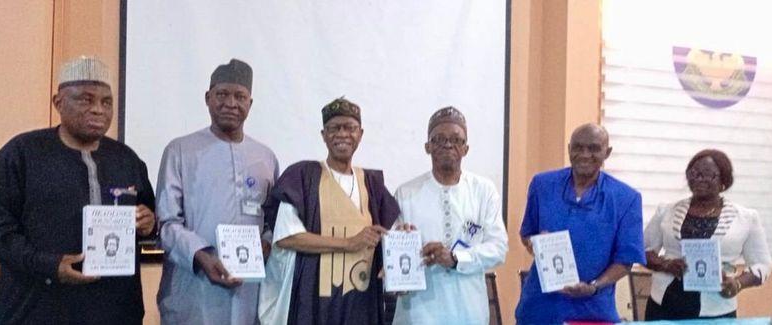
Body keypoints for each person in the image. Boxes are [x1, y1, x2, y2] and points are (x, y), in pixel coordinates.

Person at [0, 56, 156, 324]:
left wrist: (149, 223)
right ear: (58, 102)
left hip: (116, 312)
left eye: (106, 102)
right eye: (85, 99)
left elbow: (150, 221)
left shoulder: (126, 160)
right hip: (37, 311)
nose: (98, 109)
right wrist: (48, 265)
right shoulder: (23, 154)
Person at [155, 59, 278, 325]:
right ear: (208, 98)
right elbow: (167, 222)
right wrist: (201, 255)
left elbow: (272, 220)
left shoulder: (266, 158)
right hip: (194, 288)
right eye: (222, 94)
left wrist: (266, 244)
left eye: (239, 96)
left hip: (249, 289)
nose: (230, 104)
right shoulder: (180, 151)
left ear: (250, 104)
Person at [258, 97, 399, 325]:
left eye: (350, 128)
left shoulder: (372, 184)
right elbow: (287, 237)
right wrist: (349, 243)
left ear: (360, 134)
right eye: (334, 128)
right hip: (313, 297)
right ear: (323, 135)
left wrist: (402, 239)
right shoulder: (303, 176)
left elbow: (387, 236)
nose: (342, 134)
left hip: (360, 300)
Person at [515, 123, 645, 324]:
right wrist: (535, 244)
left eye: (593, 148)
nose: (585, 155)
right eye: (578, 147)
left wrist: (594, 286)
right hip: (540, 306)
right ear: (569, 149)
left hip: (592, 309)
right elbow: (527, 234)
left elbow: (625, 260)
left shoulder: (626, 198)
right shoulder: (542, 185)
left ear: (607, 152)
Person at [392, 107, 508, 325]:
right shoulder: (406, 193)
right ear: (427, 147)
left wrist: (455, 259)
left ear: (466, 148)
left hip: (468, 313)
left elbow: (498, 249)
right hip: (416, 314)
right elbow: (394, 255)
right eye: (439, 139)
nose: (447, 145)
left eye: (456, 140)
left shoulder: (483, 191)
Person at [643, 149, 772, 320]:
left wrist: (738, 284)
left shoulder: (746, 218)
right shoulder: (666, 211)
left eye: (709, 175)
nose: (699, 179)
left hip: (717, 307)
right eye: (694, 173)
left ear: (724, 181)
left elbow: (763, 264)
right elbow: (642, 251)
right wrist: (665, 264)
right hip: (664, 303)